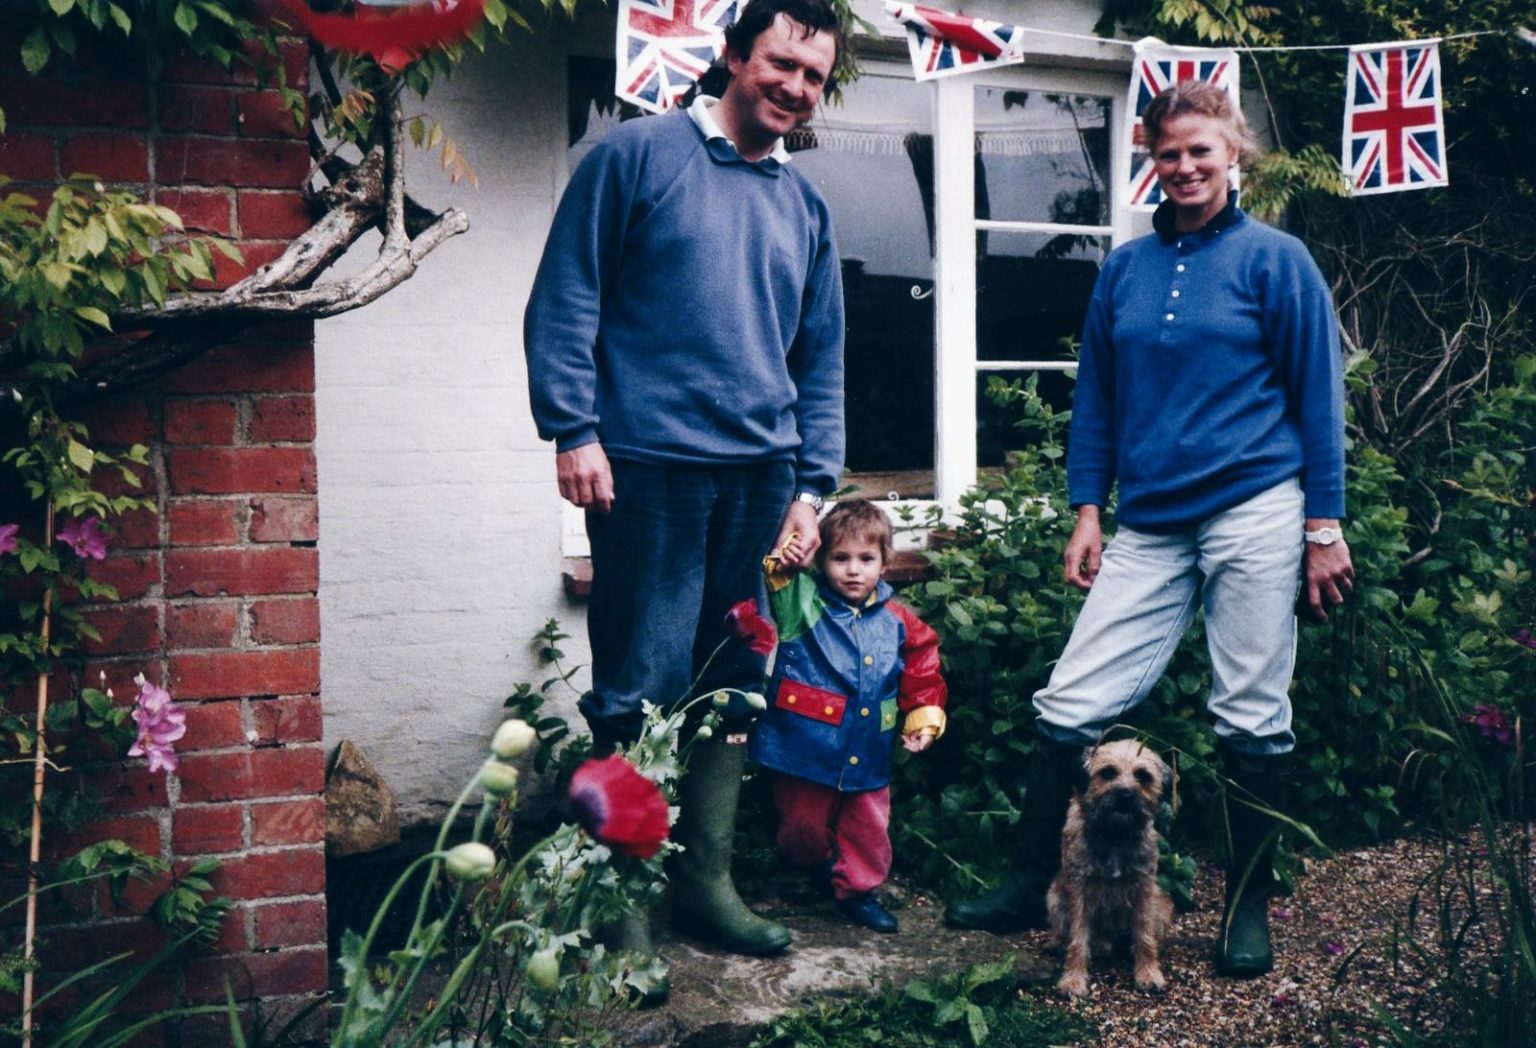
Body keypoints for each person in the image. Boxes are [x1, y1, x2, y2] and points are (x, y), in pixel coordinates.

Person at [943, 81, 1355, 979]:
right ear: (1150, 160)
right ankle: (1026, 882)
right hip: (1154, 521)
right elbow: (1097, 398)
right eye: (1168, 154)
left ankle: (1247, 902)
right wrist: (1088, 509)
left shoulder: (1276, 261)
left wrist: (1325, 526)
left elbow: (1321, 398)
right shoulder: (1124, 271)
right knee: (1070, 701)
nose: (1184, 168)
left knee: (1249, 710)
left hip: (1256, 506)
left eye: (1201, 151)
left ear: (1234, 153)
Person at [522, 0, 848, 959]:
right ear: (735, 57)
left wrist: (812, 487)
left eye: (814, 76)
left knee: (735, 684)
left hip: (761, 479)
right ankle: (617, 904)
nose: (795, 87)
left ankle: (704, 884)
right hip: (649, 474)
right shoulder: (635, 158)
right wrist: (572, 429)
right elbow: (566, 296)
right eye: (781, 64)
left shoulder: (805, 204)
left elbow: (822, 358)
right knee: (640, 688)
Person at [749, 500, 947, 933]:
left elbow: (922, 661)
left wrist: (922, 716)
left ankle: (858, 889)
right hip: (804, 746)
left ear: (885, 562)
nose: (853, 570)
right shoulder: (802, 603)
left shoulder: (898, 619)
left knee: (869, 825)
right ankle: (817, 864)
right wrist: (790, 551)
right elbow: (779, 576)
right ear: (822, 560)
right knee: (800, 827)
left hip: (869, 745)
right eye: (840, 558)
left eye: (865, 559)